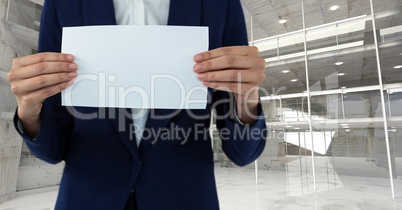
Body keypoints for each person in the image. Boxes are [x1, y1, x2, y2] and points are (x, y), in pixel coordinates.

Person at [7, 0, 267, 209]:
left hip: (184, 198)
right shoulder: (63, 3)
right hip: (87, 198)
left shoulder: (220, 4)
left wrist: (247, 98)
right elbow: (51, 150)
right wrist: (29, 112)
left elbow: (242, 152)